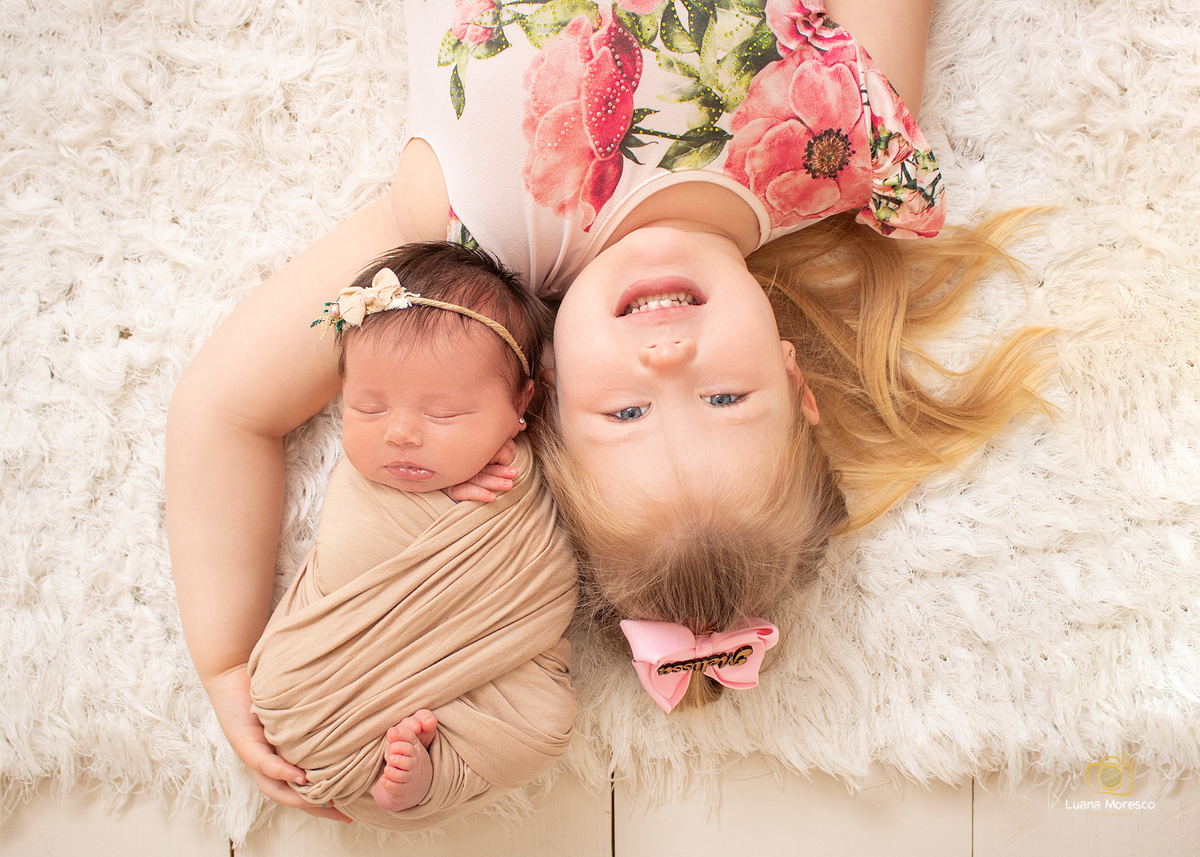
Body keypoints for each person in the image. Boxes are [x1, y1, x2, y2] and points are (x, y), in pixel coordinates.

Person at [166, 0, 1048, 817]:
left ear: (540, 404)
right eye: (725, 397)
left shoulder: (456, 245)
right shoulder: (860, 143)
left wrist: (227, 659)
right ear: (795, 381)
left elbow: (226, 410)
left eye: (626, 414)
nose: (667, 359)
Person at [243, 242, 577, 830]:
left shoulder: (528, 474)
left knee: (545, 723)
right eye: (367, 408)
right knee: (281, 678)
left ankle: (429, 777)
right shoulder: (361, 483)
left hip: (486, 671)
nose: (399, 434)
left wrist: (501, 484)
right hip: (327, 682)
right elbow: (348, 556)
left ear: (521, 403)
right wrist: (440, 497)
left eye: (444, 415)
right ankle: (410, 765)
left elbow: (539, 577)